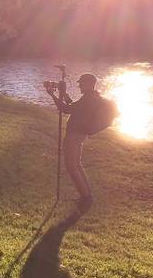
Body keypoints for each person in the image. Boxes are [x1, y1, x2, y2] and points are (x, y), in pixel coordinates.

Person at [44, 73, 114, 210]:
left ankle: (86, 197)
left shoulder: (88, 98)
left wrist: (52, 95)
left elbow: (65, 109)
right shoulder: (91, 97)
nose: (79, 85)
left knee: (71, 166)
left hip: (74, 135)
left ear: (89, 83)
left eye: (81, 83)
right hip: (80, 134)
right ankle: (87, 194)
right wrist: (63, 94)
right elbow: (73, 106)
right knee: (77, 164)